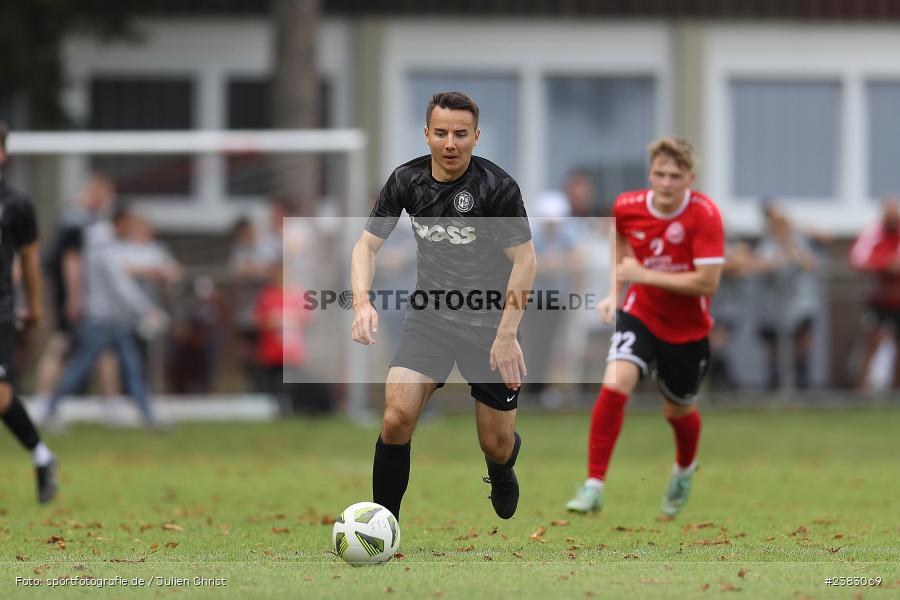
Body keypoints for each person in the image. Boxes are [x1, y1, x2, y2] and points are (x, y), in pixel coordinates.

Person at [350, 91, 536, 521]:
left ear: (476, 136)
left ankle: (502, 468)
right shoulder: (406, 180)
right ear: (426, 134)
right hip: (429, 320)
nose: (450, 143)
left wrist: (507, 334)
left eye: (460, 134)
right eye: (441, 133)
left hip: (490, 325)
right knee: (396, 417)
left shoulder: (497, 188)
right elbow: (366, 246)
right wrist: (362, 302)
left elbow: (525, 261)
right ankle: (383, 526)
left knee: (495, 443)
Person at [565, 137, 724, 518]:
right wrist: (614, 292)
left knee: (678, 411)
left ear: (690, 179)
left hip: (687, 329)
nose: (666, 183)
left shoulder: (705, 215)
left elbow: (707, 283)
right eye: (659, 174)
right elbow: (620, 246)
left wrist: (646, 275)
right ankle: (593, 485)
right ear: (650, 173)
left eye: (675, 176)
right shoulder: (627, 206)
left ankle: (684, 470)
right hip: (641, 313)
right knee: (615, 382)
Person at [43, 206, 165, 430]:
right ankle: (50, 409)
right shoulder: (104, 247)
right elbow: (120, 284)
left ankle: (148, 416)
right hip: (100, 319)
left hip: (115, 319)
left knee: (130, 367)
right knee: (82, 367)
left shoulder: (103, 242)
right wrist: (146, 309)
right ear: (121, 221)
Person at [0, 121, 58, 502]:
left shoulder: (16, 205)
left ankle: (41, 455)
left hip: (1, 310)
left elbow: (30, 261)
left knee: (1, 396)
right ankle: (43, 456)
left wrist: (34, 307)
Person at [753, 203, 821, 390]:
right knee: (774, 348)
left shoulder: (799, 242)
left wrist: (793, 252)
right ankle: (774, 385)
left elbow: (811, 264)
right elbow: (759, 265)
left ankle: (802, 384)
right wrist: (777, 258)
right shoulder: (767, 244)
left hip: (800, 304)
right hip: (773, 307)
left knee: (802, 344)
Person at [849, 197, 900, 389]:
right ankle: (860, 391)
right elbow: (857, 258)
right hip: (879, 299)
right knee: (871, 344)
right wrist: (886, 264)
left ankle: (895, 392)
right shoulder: (872, 232)